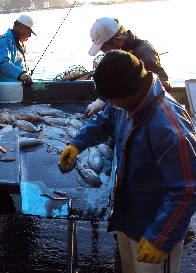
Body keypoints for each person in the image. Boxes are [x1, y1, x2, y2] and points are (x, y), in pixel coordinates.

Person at [59, 50, 196, 273]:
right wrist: (78, 143)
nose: (109, 103)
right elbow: (104, 120)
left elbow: (187, 190)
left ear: (130, 92)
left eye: (111, 98)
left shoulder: (171, 128)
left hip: (156, 226)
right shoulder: (125, 101)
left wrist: (161, 237)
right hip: (127, 217)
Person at [85, 17, 172, 116]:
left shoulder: (144, 53)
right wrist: (101, 100)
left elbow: (163, 86)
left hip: (149, 113)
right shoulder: (119, 53)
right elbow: (116, 83)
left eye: (103, 47)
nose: (102, 52)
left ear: (118, 39)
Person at [0, 14, 35, 86]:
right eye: (29, 32)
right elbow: (3, 64)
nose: (30, 35)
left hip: (16, 89)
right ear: (21, 28)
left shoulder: (18, 44)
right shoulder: (3, 42)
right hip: (2, 91)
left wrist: (26, 74)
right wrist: (22, 74)